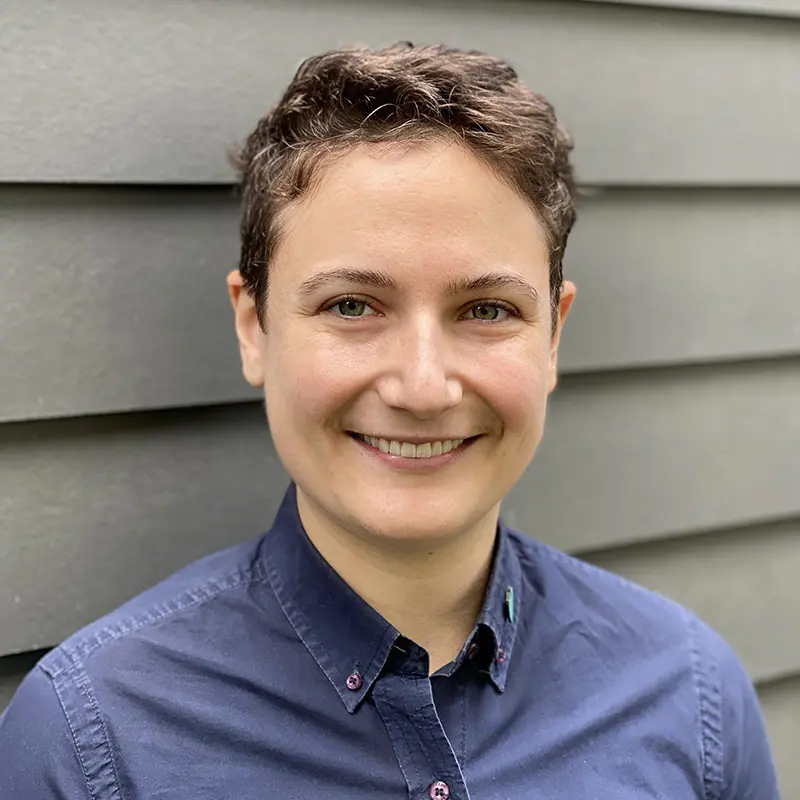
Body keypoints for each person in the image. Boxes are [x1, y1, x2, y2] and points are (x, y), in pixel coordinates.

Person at [0, 42, 779, 799]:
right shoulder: (90, 740)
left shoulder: (691, 695)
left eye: (486, 309)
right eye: (351, 305)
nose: (422, 386)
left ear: (553, 337)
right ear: (253, 326)